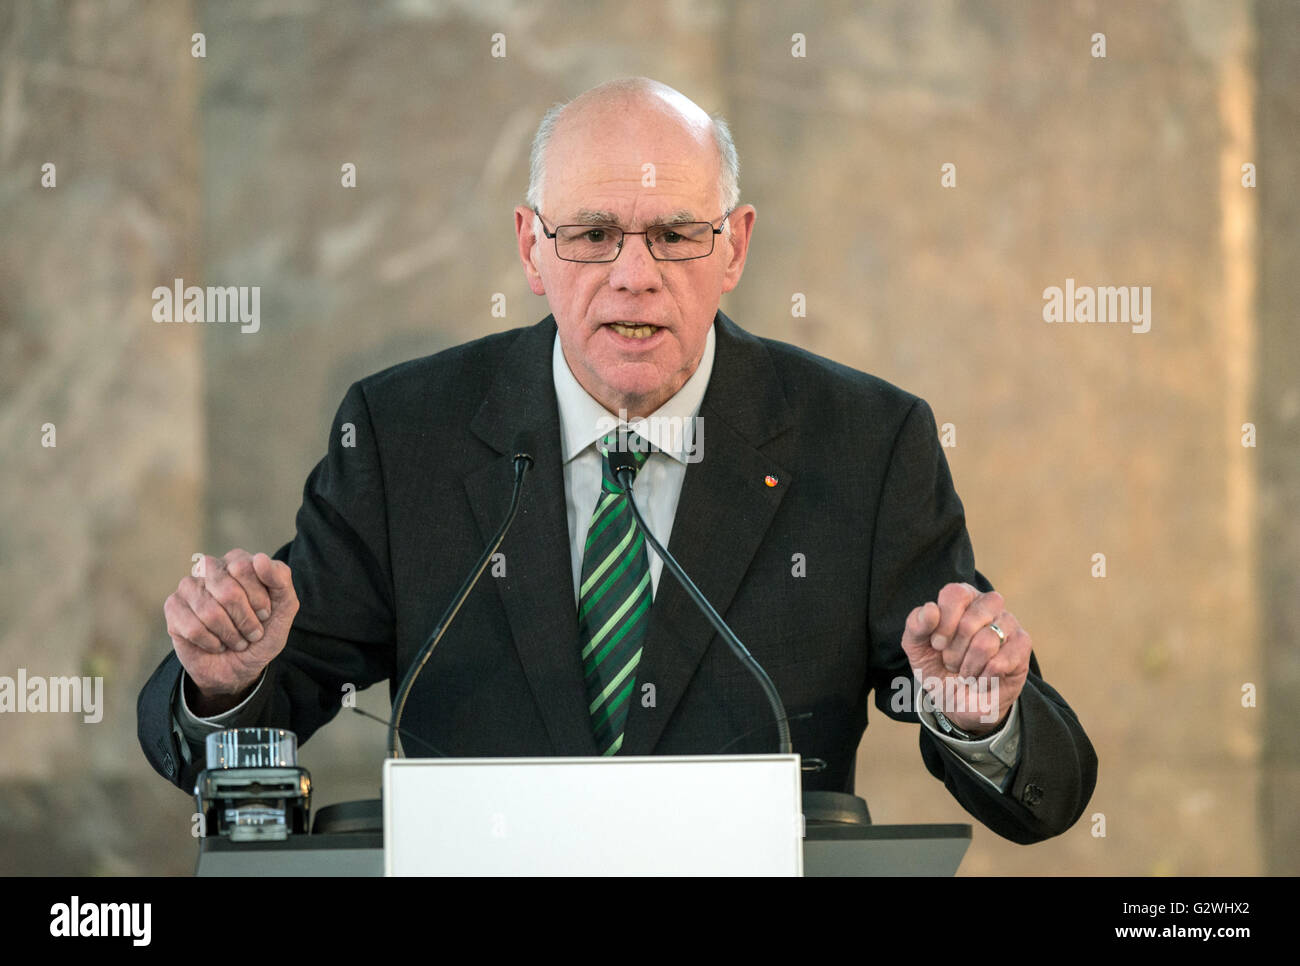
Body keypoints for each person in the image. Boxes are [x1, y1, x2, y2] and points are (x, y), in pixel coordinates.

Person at [138, 78, 1096, 844]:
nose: (635, 273)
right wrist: (226, 686)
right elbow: (246, 713)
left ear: (735, 247)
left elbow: (1044, 796)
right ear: (531, 247)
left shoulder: (865, 445)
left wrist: (978, 715)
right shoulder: (405, 437)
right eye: (593, 235)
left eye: (677, 235)